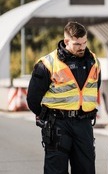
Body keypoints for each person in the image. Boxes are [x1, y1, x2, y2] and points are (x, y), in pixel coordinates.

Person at [27, 21, 101, 174]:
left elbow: (94, 87)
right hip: (58, 124)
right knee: (56, 171)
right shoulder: (47, 64)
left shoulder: (93, 61)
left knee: (86, 170)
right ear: (66, 41)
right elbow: (33, 98)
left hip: (84, 124)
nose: (82, 47)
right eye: (77, 44)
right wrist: (45, 116)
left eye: (84, 43)